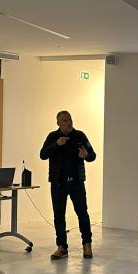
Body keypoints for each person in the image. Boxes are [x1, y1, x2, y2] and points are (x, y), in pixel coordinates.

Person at [40, 110, 96, 260]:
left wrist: (86, 156)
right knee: (59, 216)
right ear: (58, 123)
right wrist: (56, 145)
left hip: (77, 182)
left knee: (82, 213)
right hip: (58, 184)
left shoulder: (80, 136)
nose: (68, 122)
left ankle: (87, 244)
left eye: (69, 119)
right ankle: (62, 247)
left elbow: (93, 155)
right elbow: (43, 155)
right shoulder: (53, 137)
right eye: (64, 120)